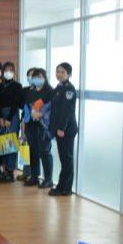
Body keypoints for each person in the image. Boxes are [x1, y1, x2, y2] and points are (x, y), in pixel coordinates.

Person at [48, 62, 78, 196]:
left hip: (66, 129)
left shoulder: (69, 89)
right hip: (60, 129)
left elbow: (67, 110)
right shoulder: (59, 87)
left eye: (62, 72)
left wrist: (61, 128)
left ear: (69, 74)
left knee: (67, 159)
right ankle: (64, 187)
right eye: (57, 71)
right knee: (64, 159)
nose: (59, 74)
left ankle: (64, 188)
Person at [24, 68, 53, 188]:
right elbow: (26, 106)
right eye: (35, 77)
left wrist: (41, 114)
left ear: (45, 78)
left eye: (40, 77)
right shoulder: (31, 91)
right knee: (33, 151)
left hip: (44, 125)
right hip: (31, 124)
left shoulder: (50, 91)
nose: (37, 79)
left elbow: (53, 109)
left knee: (44, 152)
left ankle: (48, 179)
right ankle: (34, 176)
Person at [0, 62, 23, 183]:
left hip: (13, 115)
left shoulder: (18, 86)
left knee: (11, 142)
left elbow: (16, 103)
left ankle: (10, 171)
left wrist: (9, 119)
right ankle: (0, 170)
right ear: (2, 72)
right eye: (6, 70)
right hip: (0, 115)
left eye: (11, 70)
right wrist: (0, 117)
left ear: (14, 72)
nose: (8, 72)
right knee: (0, 143)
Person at [18, 67, 36, 181]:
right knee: (25, 145)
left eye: (33, 75)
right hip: (25, 120)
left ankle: (34, 175)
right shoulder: (25, 90)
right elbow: (21, 105)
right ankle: (26, 172)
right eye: (29, 75)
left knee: (34, 149)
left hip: (36, 122)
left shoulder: (42, 90)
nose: (30, 77)